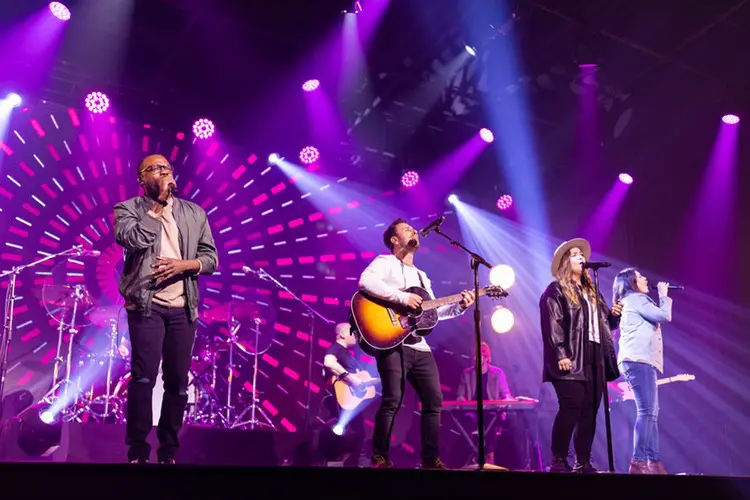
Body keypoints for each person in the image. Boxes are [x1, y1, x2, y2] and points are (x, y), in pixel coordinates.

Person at [113, 154, 218, 464]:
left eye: (166, 168)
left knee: (177, 383)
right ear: (141, 179)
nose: (161, 172)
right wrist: (157, 206)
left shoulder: (195, 213)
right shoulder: (127, 209)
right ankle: (137, 450)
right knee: (143, 378)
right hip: (147, 305)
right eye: (154, 169)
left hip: (183, 307)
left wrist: (185, 265)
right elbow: (133, 239)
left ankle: (169, 451)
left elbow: (211, 258)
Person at [357, 218, 475, 469]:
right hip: (391, 340)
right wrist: (402, 298)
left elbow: (432, 313)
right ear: (394, 239)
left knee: (434, 400)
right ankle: (379, 456)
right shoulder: (385, 262)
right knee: (393, 398)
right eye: (406, 229)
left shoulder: (422, 276)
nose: (413, 230)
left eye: (413, 229)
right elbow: (365, 282)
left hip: (419, 346)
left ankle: (430, 459)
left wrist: (460, 307)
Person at [539, 238, 622, 473]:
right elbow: (553, 323)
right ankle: (559, 459)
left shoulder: (592, 292)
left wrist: (614, 316)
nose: (581, 257)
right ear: (565, 262)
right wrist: (561, 353)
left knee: (590, 412)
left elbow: (606, 326)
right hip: (571, 354)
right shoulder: (556, 289)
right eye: (574, 254)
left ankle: (582, 461)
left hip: (595, 355)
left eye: (581, 254)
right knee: (571, 407)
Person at [612, 268, 673, 475]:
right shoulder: (636, 299)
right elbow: (664, 315)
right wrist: (664, 296)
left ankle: (653, 461)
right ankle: (639, 461)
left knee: (651, 413)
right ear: (631, 283)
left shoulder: (632, 300)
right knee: (647, 412)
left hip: (640, 360)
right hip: (638, 360)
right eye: (640, 277)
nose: (645, 278)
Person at [321, 322, 371, 466]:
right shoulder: (335, 348)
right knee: (346, 436)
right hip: (339, 402)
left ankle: (349, 465)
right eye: (352, 332)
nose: (356, 335)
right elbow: (329, 362)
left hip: (350, 403)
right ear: (342, 334)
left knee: (357, 434)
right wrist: (351, 379)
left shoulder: (348, 354)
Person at [456, 341, 512, 465]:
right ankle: (476, 453)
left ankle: (488, 455)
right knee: (469, 419)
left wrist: (505, 400)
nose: (475, 358)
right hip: (473, 412)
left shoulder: (497, 373)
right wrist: (462, 401)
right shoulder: (467, 373)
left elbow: (506, 394)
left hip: (492, 411)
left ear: (486, 357)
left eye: (479, 355)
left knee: (491, 419)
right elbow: (460, 395)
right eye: (474, 355)